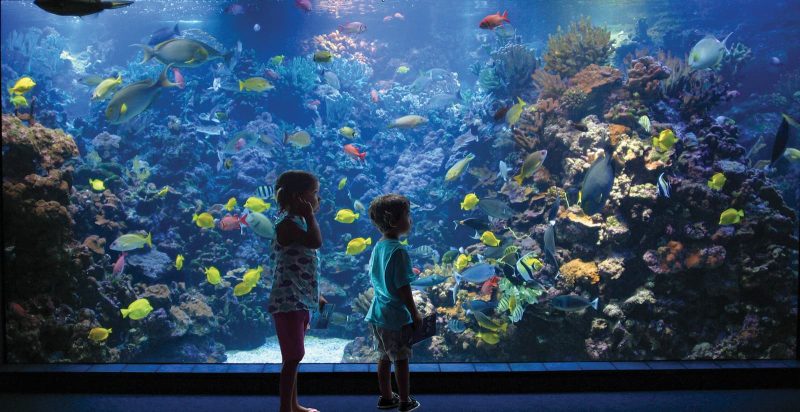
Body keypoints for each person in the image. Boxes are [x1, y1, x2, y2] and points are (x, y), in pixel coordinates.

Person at [267, 170, 326, 412]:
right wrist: (311, 217)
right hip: (288, 302)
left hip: (299, 300)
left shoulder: (295, 222)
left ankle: (293, 405)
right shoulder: (287, 224)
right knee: (292, 358)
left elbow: (303, 265)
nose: (318, 198)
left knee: (293, 358)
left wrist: (316, 294)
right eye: (314, 193)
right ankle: (285, 409)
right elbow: (314, 242)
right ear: (298, 197)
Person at [365, 194, 422, 412]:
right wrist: (414, 313)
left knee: (383, 356)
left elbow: (376, 277)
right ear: (394, 220)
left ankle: (387, 397)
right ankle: (406, 401)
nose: (410, 219)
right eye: (407, 214)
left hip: (378, 313)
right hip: (396, 316)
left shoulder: (379, 246)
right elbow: (403, 288)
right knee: (401, 359)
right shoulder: (399, 250)